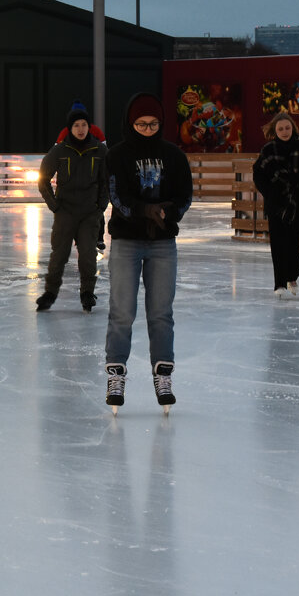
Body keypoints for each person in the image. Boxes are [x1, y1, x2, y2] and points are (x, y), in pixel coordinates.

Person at [103, 93, 193, 411]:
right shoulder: (116, 155)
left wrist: (170, 212)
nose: (147, 129)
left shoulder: (174, 155)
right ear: (131, 123)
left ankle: (163, 373)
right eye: (141, 124)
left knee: (160, 313)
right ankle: (116, 373)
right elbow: (116, 194)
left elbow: (185, 194)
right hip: (127, 242)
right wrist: (144, 211)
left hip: (163, 244)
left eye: (153, 123)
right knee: (122, 313)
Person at [36, 105, 108, 312]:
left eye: (84, 124)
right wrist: (54, 205)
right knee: (59, 255)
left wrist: (100, 206)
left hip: (89, 213)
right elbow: (43, 180)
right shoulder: (58, 151)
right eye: (76, 125)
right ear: (70, 128)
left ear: (89, 127)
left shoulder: (100, 150)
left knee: (87, 255)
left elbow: (107, 180)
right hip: (65, 212)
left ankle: (87, 293)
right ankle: (50, 293)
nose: (80, 129)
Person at [252, 111, 299, 298]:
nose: (284, 131)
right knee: (278, 243)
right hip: (276, 202)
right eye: (280, 129)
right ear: (275, 131)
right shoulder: (268, 150)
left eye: (287, 128)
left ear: (293, 128)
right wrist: (269, 192)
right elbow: (258, 174)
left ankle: (292, 276)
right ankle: (279, 283)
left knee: (295, 242)